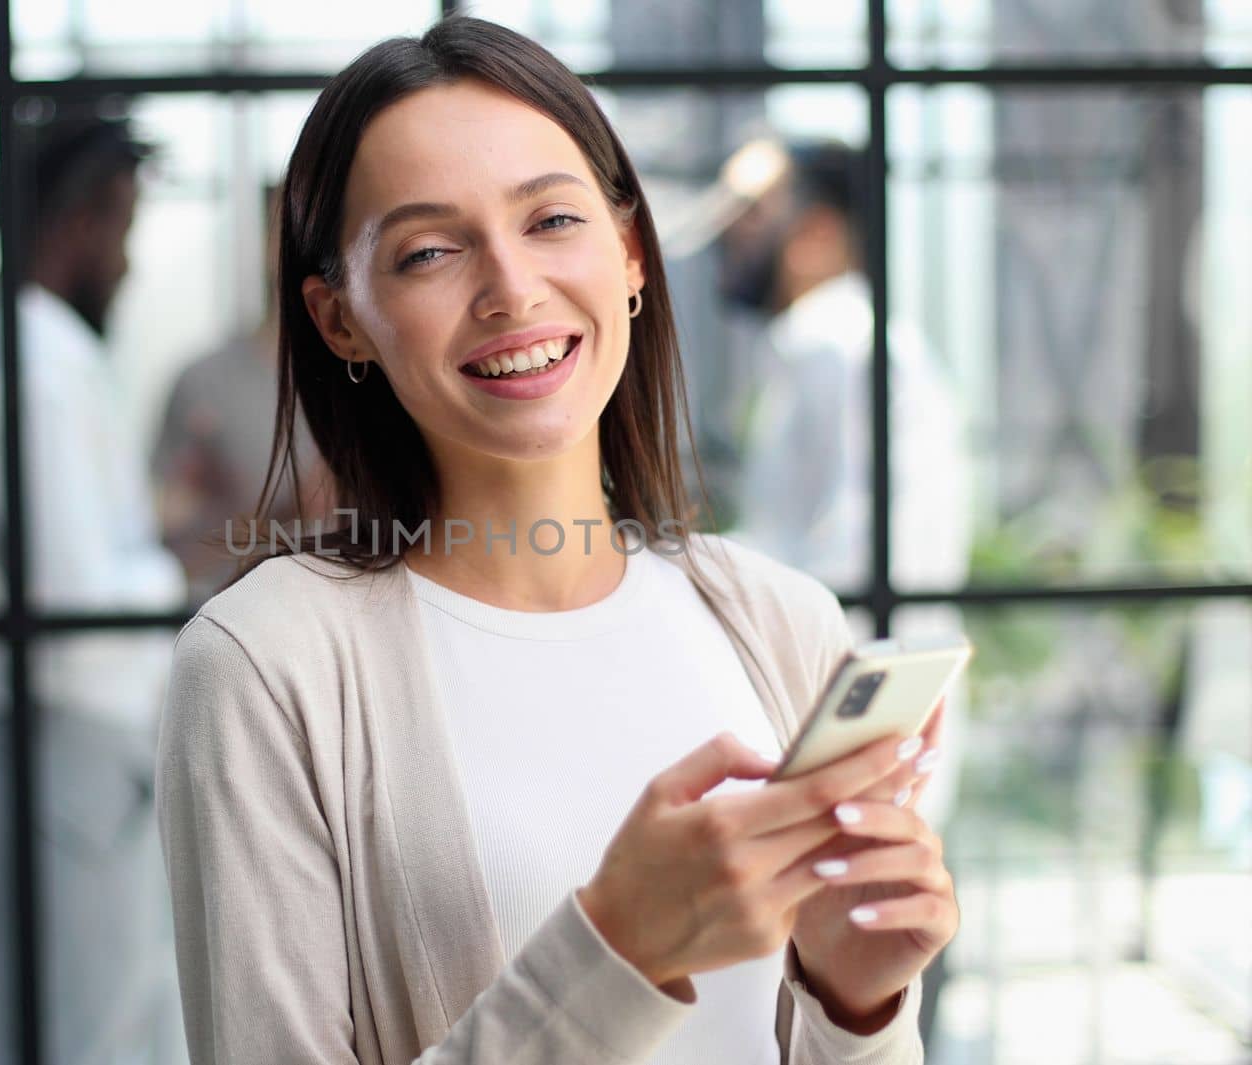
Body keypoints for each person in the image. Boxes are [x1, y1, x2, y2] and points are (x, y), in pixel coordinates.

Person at [156, 17, 956, 1065]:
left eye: (550, 220)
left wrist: (853, 1009)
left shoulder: (781, 620)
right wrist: (615, 950)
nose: (511, 289)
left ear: (628, 251)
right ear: (338, 316)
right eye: (430, 250)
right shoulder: (265, 666)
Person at [0, 104, 188, 1065]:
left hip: (49, 746)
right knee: (90, 1028)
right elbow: (69, 602)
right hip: (67, 744)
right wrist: (184, 566)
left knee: (44, 1012)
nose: (128, 264)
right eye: (122, 230)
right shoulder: (29, 364)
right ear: (79, 220)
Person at [699, 133, 974, 1041]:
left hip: (841, 734)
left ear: (815, 232)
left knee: (851, 989)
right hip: (845, 735)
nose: (731, 234)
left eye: (752, 213)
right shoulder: (823, 352)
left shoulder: (842, 353)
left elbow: (851, 565)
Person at [151, 182, 333, 608]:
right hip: (230, 619)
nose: (296, 250)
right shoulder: (203, 383)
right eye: (283, 232)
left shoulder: (379, 384)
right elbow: (166, 550)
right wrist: (276, 522)